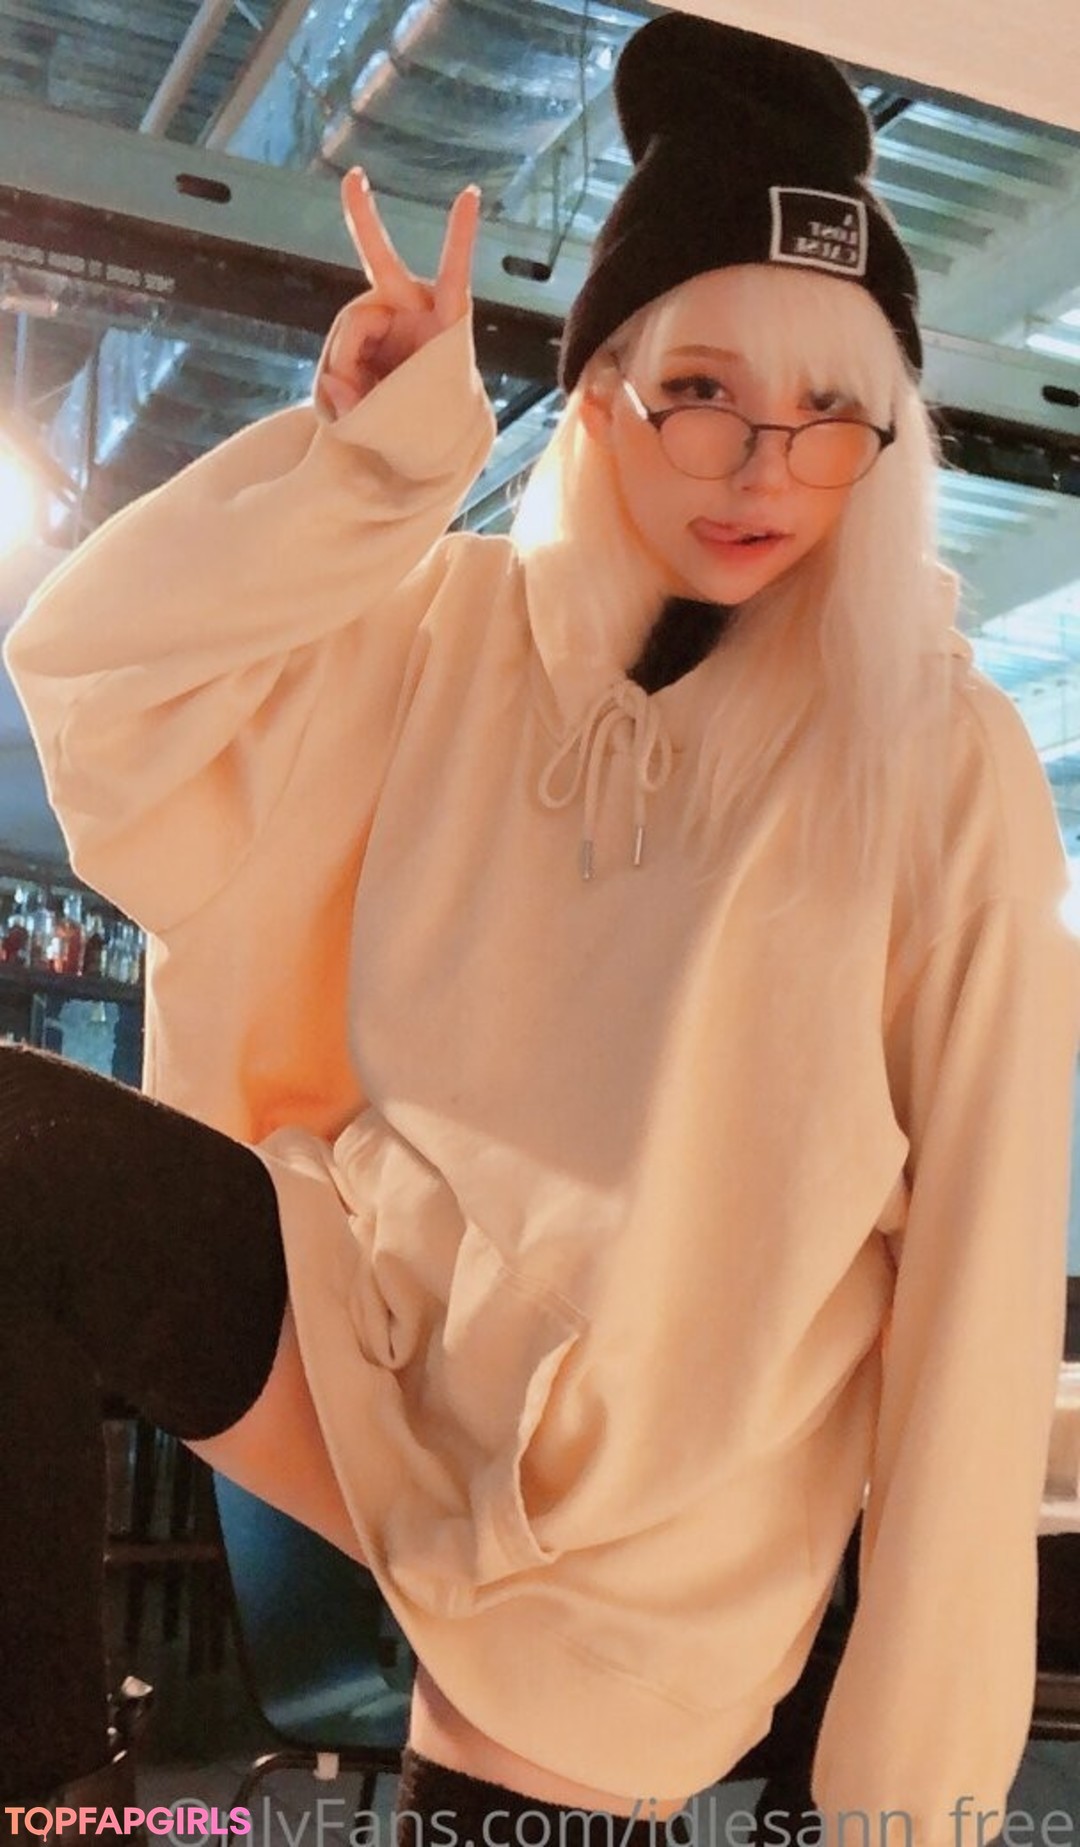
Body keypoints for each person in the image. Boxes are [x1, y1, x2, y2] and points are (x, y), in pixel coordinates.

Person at [2, 13, 1077, 1846]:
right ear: (594, 393)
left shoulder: (934, 752)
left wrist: (923, 1789)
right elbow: (112, 697)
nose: (764, 469)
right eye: (704, 390)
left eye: (833, 415)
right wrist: (368, 473)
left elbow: (980, 1265)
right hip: (375, 1356)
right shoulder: (462, 634)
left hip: (636, 1546)